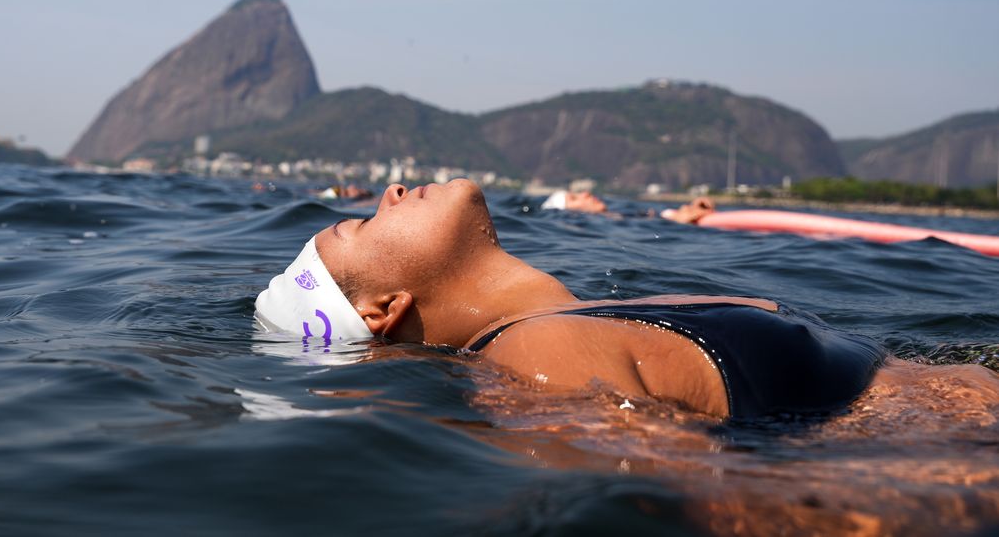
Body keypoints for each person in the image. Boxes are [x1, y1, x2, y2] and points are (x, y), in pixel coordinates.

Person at [255, 179, 998, 419]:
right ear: (383, 309)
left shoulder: (565, 327)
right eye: (356, 226)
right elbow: (717, 501)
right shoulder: (534, 355)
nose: (386, 192)